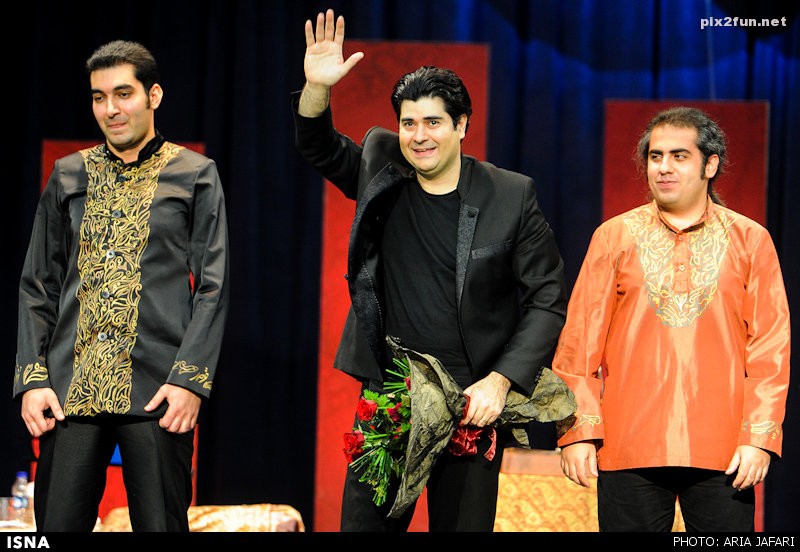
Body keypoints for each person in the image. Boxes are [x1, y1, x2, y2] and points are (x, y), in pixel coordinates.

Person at [294, 9, 568, 532]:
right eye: (409, 123)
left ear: (461, 125)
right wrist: (317, 88)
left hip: (472, 402)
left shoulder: (510, 196)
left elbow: (547, 299)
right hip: (391, 395)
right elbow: (317, 146)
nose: (419, 136)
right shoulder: (381, 165)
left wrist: (499, 382)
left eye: (434, 123)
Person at [14, 40, 230, 532]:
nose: (110, 109)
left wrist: (190, 381)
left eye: (123, 94)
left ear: (154, 95)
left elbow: (213, 286)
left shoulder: (194, 174)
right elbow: (37, 284)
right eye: (99, 97)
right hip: (70, 391)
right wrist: (33, 379)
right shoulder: (68, 173)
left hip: (157, 391)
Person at [553, 106, 790, 532]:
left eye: (679, 156)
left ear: (710, 165)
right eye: (655, 156)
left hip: (724, 452)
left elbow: (770, 348)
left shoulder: (751, 240)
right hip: (629, 445)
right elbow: (579, 342)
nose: (663, 167)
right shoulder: (614, 236)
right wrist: (578, 431)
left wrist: (759, 438)